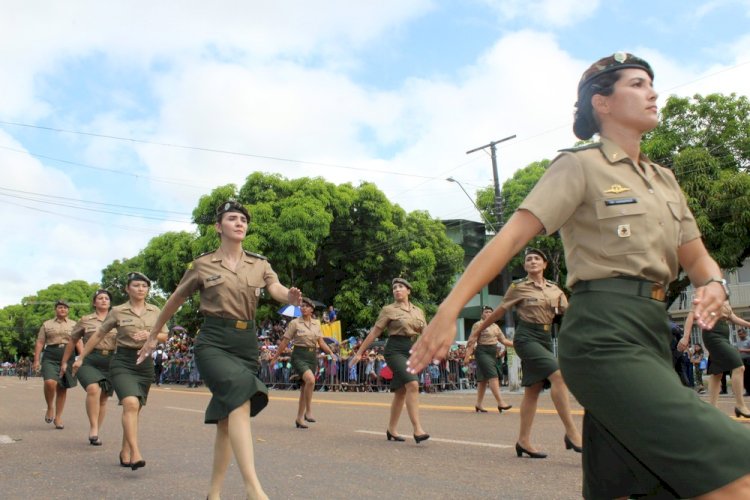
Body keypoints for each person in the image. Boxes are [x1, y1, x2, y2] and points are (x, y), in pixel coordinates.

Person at [408, 52, 750, 498]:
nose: (653, 92)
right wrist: (447, 310)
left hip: (652, 333)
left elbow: (699, 259)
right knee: (733, 471)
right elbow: (508, 240)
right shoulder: (579, 166)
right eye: (637, 84)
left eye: (652, 83)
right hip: (602, 336)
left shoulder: (664, 180)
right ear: (602, 103)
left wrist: (714, 284)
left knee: (635, 487)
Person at [137, 200, 301, 500]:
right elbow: (175, 299)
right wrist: (152, 335)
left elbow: (275, 288)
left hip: (246, 344)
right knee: (239, 402)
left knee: (227, 421)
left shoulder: (260, 263)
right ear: (218, 226)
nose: (240, 223)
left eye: (243, 220)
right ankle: (254, 489)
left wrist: (288, 296)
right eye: (232, 219)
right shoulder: (203, 264)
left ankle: (213, 494)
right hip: (213, 341)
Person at [471, 248, 581, 458]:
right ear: (524, 266)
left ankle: (523, 441)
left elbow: (570, 315)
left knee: (533, 389)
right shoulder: (518, 287)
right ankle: (572, 432)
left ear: (544, 264)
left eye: (537, 258)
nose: (532, 261)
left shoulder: (555, 290)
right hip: (526, 337)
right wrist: (479, 328)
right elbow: (501, 310)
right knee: (558, 375)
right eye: (528, 259)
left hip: (546, 338)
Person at [73, 272, 168, 471]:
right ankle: (135, 452)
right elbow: (99, 333)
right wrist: (81, 357)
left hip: (145, 363)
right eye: (136, 285)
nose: (141, 289)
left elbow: (165, 335)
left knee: (135, 409)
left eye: (144, 285)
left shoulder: (155, 310)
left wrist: (151, 335)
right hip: (122, 362)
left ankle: (125, 450)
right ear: (127, 289)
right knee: (131, 403)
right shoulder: (117, 311)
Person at [350, 277, 429, 443]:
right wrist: (359, 353)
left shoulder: (418, 311)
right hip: (394, 350)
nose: (397, 290)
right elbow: (375, 332)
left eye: (401, 287)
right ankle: (417, 429)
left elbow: (425, 333)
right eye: (394, 288)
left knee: (400, 392)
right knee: (413, 384)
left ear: (408, 291)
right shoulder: (388, 310)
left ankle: (391, 430)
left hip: (412, 350)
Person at [60, 289, 117, 446]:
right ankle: (93, 428)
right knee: (93, 388)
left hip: (111, 360)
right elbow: (72, 341)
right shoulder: (85, 320)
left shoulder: (117, 319)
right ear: (94, 302)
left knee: (104, 398)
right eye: (100, 298)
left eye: (106, 298)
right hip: (89, 359)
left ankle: (97, 430)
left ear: (110, 302)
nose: (104, 300)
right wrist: (65, 362)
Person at [271, 297, 337, 428]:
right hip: (299, 355)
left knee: (303, 388)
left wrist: (330, 352)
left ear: (312, 309)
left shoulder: (316, 323)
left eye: (306, 306)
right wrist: (275, 357)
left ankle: (299, 419)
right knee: (311, 380)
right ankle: (309, 411)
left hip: (312, 356)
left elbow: (321, 342)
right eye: (302, 306)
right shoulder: (295, 323)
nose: (303, 308)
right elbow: (285, 341)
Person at [682, 303, 750, 417]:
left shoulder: (724, 301)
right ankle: (740, 405)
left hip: (723, 337)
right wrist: (686, 336)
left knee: (717, 373)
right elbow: (691, 315)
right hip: (712, 336)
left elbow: (733, 318)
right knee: (739, 367)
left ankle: (712, 408)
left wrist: (748, 324)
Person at [33, 299, 80, 429]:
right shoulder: (46, 324)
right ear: (56, 309)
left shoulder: (74, 324)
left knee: (62, 387)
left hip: (68, 354)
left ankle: (58, 417)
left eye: (65, 308)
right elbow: (40, 342)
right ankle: (50, 407)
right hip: (50, 355)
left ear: (68, 310)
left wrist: (81, 358)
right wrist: (36, 360)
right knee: (50, 382)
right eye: (60, 307)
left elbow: (78, 342)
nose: (62, 309)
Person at [463, 305, 513, 413]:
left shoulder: (495, 326)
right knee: (493, 376)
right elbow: (472, 340)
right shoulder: (478, 325)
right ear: (482, 314)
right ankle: (500, 403)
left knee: (483, 380)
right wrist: (467, 356)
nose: (488, 314)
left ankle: (478, 404)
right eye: (486, 312)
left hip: (492, 353)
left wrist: (515, 344)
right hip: (482, 352)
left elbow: (504, 340)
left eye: (490, 312)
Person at [737, 328, 750, 396]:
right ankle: (748, 391)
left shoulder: (748, 340)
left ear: (745, 334)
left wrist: (743, 350)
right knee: (744, 376)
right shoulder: (738, 342)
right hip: (741, 360)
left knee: (748, 375)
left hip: (748, 360)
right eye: (739, 334)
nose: (740, 335)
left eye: (741, 334)